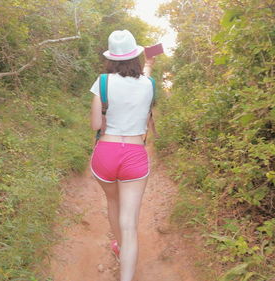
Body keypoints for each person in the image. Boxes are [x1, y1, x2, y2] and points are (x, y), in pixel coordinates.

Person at [89, 30, 156, 281]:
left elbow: (96, 124)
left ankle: (118, 246)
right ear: (135, 55)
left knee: (113, 202)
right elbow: (143, 81)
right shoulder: (148, 84)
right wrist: (149, 64)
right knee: (130, 225)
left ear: (111, 58)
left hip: (106, 153)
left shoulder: (103, 82)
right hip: (134, 156)